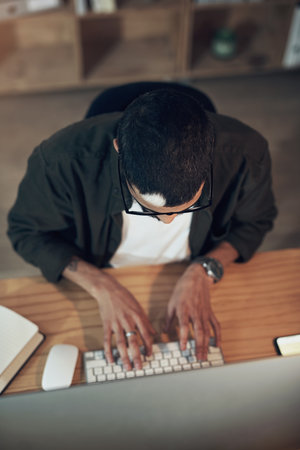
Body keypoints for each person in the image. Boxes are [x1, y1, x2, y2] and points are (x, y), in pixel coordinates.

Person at [7, 82, 277, 371]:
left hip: (188, 273)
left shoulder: (246, 153)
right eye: (151, 210)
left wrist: (205, 269)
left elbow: (256, 222)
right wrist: (101, 285)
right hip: (102, 271)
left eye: (188, 206)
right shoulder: (60, 161)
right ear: (118, 151)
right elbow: (28, 233)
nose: (168, 221)